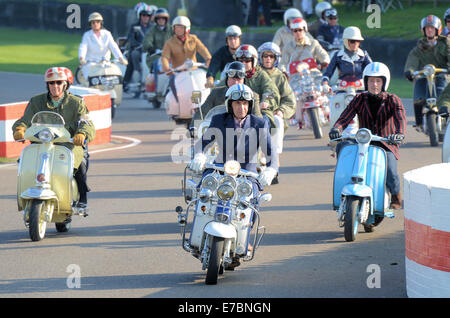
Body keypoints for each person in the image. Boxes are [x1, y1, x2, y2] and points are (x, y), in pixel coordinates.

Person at [12, 67, 96, 210]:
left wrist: (81, 134)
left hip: (68, 144)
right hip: (41, 143)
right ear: (47, 85)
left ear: (66, 84)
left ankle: (82, 197)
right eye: (51, 83)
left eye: (59, 82)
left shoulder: (76, 103)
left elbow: (86, 123)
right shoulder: (36, 101)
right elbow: (24, 120)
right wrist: (20, 129)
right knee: (25, 161)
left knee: (80, 164)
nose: (55, 86)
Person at [329, 62, 406, 211]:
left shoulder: (393, 99)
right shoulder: (359, 98)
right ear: (365, 82)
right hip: (364, 140)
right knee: (342, 146)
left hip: (386, 142)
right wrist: (336, 128)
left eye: (378, 81)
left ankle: (396, 195)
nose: (374, 84)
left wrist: (399, 134)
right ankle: (346, 185)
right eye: (371, 80)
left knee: (390, 170)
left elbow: (400, 118)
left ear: (384, 82)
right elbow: (346, 116)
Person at [190, 84, 278, 191]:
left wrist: (271, 169)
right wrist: (199, 155)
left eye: (245, 103)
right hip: (219, 171)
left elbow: (271, 151)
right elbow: (202, 143)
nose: (242, 108)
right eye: (237, 103)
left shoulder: (259, 124)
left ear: (250, 105)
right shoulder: (218, 120)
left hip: (247, 174)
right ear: (229, 105)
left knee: (251, 200)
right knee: (203, 193)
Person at [257, 42, 296, 184]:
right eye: (265, 56)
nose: (268, 59)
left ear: (276, 59)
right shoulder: (253, 74)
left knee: (278, 122)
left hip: (272, 114)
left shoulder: (280, 77)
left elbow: (289, 100)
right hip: (253, 112)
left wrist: (281, 110)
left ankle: (274, 163)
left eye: (271, 56)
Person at [404, 15, 450, 130]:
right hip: (424, 76)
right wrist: (410, 71)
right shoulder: (419, 47)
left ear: (437, 29)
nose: (429, 30)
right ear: (423, 30)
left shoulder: (446, 43)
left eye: (432, 28)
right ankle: (419, 123)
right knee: (418, 95)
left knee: (443, 93)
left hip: (442, 75)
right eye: (427, 28)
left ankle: (446, 116)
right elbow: (412, 60)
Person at [191, 61, 262, 126]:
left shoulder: (252, 96)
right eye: (233, 79)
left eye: (239, 79)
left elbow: (257, 118)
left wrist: (259, 131)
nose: (236, 83)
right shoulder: (216, 93)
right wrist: (193, 128)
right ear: (227, 79)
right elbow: (203, 112)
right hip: (220, 132)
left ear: (244, 80)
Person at [161, 16, 211, 102]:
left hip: (193, 71)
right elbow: (165, 57)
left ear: (187, 28)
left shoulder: (194, 39)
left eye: (181, 27)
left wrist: (208, 59)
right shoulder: (169, 43)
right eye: (176, 27)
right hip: (178, 72)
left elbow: (203, 50)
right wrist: (167, 68)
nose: (178, 29)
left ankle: (200, 104)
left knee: (202, 85)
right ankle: (177, 104)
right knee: (172, 83)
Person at [78, 12, 128, 82]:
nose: (95, 24)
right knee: (91, 79)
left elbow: (113, 47)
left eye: (98, 22)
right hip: (91, 63)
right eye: (93, 22)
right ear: (90, 24)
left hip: (106, 63)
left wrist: (120, 58)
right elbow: (83, 47)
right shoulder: (87, 35)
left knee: (116, 73)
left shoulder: (107, 34)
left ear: (101, 23)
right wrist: (81, 58)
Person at [234, 44, 281, 117]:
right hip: (235, 110)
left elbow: (270, 91)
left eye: (247, 60)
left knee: (269, 122)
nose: (243, 63)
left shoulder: (261, 75)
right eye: (241, 60)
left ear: (254, 61)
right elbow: (222, 87)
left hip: (258, 111)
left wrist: (265, 101)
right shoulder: (232, 74)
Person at [123, 4, 153, 90]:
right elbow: (131, 38)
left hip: (149, 51)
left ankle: (154, 80)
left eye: (148, 15)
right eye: (144, 15)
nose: (145, 17)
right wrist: (136, 45)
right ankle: (136, 72)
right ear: (140, 16)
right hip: (138, 50)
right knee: (134, 54)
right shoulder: (134, 26)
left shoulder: (152, 28)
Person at [142, 8, 172, 95]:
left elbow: (177, 39)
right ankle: (157, 89)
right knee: (156, 64)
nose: (161, 20)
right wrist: (151, 48)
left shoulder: (172, 29)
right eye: (159, 18)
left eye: (163, 18)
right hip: (156, 55)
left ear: (166, 19)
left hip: (171, 56)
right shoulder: (152, 30)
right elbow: (146, 41)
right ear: (156, 20)